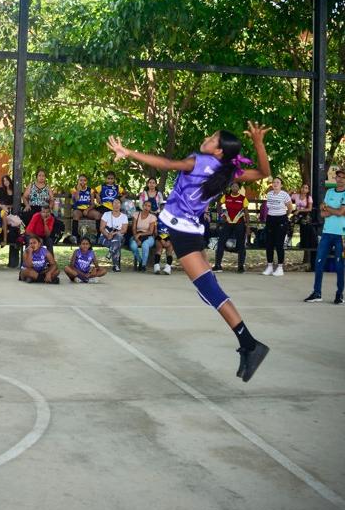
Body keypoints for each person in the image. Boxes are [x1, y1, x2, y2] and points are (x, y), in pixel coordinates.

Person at [107, 121, 272, 383]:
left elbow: (166, 164)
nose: (207, 137)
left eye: (213, 137)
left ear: (218, 151)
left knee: (210, 292)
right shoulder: (227, 170)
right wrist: (259, 143)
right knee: (208, 291)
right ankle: (248, 343)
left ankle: (250, 344)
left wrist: (128, 152)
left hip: (182, 231)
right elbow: (264, 172)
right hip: (191, 229)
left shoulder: (199, 162)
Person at [304, 168, 345, 304]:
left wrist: (331, 209)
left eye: (343, 177)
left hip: (341, 234)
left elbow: (339, 211)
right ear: (335, 178)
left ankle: (339, 294)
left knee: (339, 265)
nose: (340, 179)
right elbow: (323, 214)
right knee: (319, 262)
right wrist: (337, 211)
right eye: (338, 177)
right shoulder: (330, 192)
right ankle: (317, 293)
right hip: (327, 232)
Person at [213, 181, 250, 274]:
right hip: (228, 223)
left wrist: (248, 225)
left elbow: (246, 212)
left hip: (239, 223)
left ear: (239, 188)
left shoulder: (243, 198)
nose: (234, 188)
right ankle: (218, 265)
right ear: (230, 187)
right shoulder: (226, 196)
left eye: (236, 186)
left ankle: (241, 267)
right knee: (221, 242)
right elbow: (218, 205)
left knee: (241, 244)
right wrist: (221, 214)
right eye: (233, 186)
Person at [262, 177, 292, 277]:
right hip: (270, 219)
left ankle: (280, 268)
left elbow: (290, 208)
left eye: (277, 182)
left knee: (279, 244)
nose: (275, 184)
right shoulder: (269, 194)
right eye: (274, 182)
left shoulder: (285, 195)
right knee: (269, 243)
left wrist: (284, 216)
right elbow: (268, 206)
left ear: (281, 185)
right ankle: (269, 266)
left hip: (281, 220)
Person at [99, 198, 128, 272]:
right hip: (105, 237)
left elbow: (124, 230)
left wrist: (113, 233)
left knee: (118, 237)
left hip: (118, 237)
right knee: (116, 244)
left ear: (120, 205)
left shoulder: (124, 216)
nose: (116, 205)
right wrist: (107, 235)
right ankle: (116, 266)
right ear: (112, 205)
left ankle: (110, 252)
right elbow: (102, 228)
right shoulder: (106, 214)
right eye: (114, 203)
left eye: (118, 203)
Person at [70, 174, 101, 242]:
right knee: (75, 214)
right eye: (81, 180)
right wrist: (78, 190)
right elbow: (76, 200)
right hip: (78, 209)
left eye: (84, 180)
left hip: (88, 209)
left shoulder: (90, 190)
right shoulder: (74, 189)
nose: (82, 182)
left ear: (86, 181)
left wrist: (87, 210)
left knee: (98, 215)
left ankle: (99, 236)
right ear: (78, 181)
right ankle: (75, 236)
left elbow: (93, 204)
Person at [129, 200, 157, 271]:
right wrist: (136, 238)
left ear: (150, 208)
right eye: (145, 205)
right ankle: (140, 262)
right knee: (133, 246)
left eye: (149, 206)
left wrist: (140, 234)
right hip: (136, 235)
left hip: (148, 236)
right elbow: (134, 228)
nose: (147, 207)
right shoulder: (136, 214)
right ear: (142, 206)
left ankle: (144, 265)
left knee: (145, 245)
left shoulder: (152, 217)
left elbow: (150, 232)